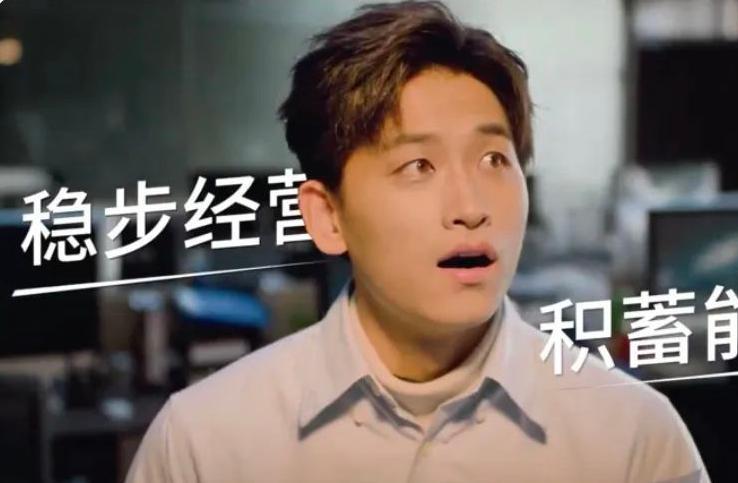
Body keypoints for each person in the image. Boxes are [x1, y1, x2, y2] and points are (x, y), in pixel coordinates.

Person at [125, 2, 708, 482]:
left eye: (493, 159)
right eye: (418, 166)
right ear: (327, 216)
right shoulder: (203, 445)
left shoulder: (633, 438)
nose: (471, 208)